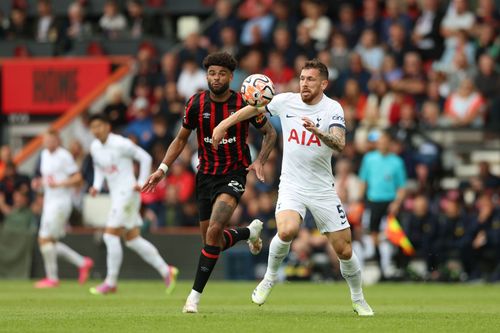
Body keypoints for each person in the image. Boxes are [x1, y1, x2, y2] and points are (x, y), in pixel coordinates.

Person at [212, 59, 374, 316]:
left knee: (344, 249)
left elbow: (340, 143)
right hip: (291, 184)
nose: (304, 83)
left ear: (324, 83)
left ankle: (358, 298)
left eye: (310, 79)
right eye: (302, 78)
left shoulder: (333, 108)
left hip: (322, 189)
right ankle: (269, 278)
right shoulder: (286, 101)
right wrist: (223, 124)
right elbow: (254, 109)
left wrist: (318, 132)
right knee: (287, 230)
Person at [141, 52, 277, 313]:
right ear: (207, 75)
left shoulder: (245, 102)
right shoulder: (196, 104)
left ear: (230, 76)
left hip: (234, 174)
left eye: (222, 73)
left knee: (215, 229)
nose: (216, 78)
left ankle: (193, 296)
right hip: (205, 175)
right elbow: (180, 139)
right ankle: (249, 232)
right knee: (210, 242)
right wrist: (162, 169)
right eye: (212, 73)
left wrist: (260, 159)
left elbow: (269, 132)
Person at [88, 114, 177, 295]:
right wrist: (96, 186)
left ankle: (111, 282)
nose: (95, 130)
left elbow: (144, 157)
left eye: (98, 125)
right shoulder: (94, 147)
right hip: (117, 195)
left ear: (107, 126)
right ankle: (166, 270)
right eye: (93, 127)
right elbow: (98, 168)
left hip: (128, 193)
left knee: (110, 236)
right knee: (132, 239)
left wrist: (141, 181)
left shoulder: (121, 143)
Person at [31, 130, 94, 288]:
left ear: (58, 140)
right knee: (50, 241)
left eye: (52, 140)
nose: (48, 143)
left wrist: (60, 184)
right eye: (46, 140)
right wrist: (38, 183)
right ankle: (82, 262)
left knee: (44, 239)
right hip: (49, 201)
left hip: (61, 202)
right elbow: (45, 177)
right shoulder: (44, 155)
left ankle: (52, 278)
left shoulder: (64, 156)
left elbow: (78, 178)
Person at [358, 130, 407, 278]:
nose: (382, 144)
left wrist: (397, 203)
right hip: (374, 202)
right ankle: (380, 267)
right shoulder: (369, 159)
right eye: (380, 141)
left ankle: (396, 266)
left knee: (394, 236)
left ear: (390, 143)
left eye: (385, 141)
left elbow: (402, 187)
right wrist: (359, 202)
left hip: (390, 202)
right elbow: (363, 181)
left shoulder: (397, 162)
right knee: (373, 235)